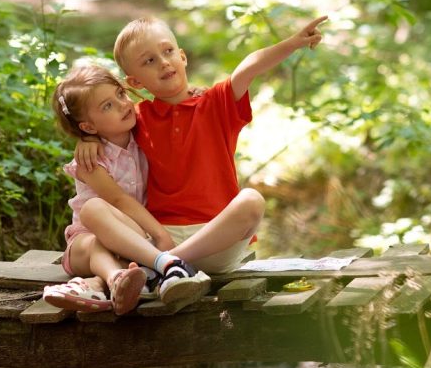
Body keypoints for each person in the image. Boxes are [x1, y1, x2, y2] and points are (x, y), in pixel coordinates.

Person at [74, 14, 326, 283]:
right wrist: (86, 140)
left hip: (216, 239)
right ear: (135, 82)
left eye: (168, 51)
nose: (163, 62)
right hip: (160, 237)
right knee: (93, 208)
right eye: (149, 60)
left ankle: (161, 269)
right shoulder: (138, 117)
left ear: (182, 57)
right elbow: (106, 127)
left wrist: (291, 43)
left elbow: (248, 68)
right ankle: (165, 266)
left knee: (252, 201)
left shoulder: (216, 104)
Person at [44, 61, 212, 315]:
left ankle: (102, 285)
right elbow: (119, 200)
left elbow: (173, 115)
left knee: (115, 246)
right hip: (86, 244)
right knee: (93, 212)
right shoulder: (91, 161)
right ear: (88, 127)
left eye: (120, 94)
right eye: (108, 106)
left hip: (132, 239)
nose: (123, 104)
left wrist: (190, 95)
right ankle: (131, 274)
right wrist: (160, 234)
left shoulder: (143, 133)